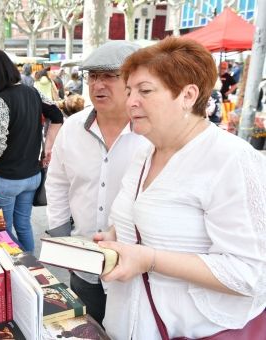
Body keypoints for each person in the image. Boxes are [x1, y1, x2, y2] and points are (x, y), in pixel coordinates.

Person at [95, 37, 266, 339]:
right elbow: (138, 220)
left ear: (188, 95)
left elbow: (248, 275)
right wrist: (114, 235)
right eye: (130, 91)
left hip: (192, 329)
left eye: (145, 91)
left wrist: (150, 260)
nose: (131, 101)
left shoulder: (231, 159)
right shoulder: (144, 153)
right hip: (125, 322)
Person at [45, 40, 146, 326]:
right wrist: (60, 230)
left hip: (132, 265)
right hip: (83, 256)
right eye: (93, 76)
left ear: (132, 81)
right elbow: (57, 180)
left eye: (109, 76)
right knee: (87, 326)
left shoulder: (149, 132)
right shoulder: (73, 128)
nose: (98, 85)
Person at [0, 50, 64, 252]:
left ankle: (16, 269)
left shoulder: (0, 99)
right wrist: (47, 147)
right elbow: (57, 114)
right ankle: (30, 265)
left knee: (4, 230)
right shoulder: (32, 92)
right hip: (31, 176)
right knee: (23, 224)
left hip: (6, 178)